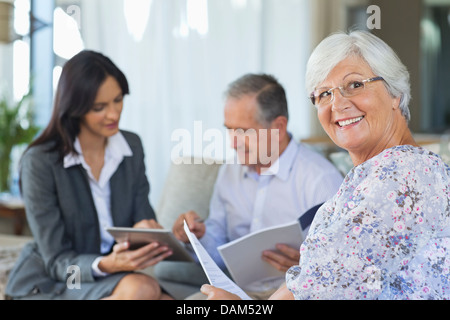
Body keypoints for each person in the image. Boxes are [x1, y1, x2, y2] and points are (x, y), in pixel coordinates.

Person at [201, 30, 450, 300]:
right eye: (323, 94)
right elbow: (317, 279)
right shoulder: (375, 174)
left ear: (395, 94)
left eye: (355, 85)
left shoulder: (403, 175)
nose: (338, 104)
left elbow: (328, 287)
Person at [5, 50, 173, 300]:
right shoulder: (40, 162)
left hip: (112, 275)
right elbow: (57, 261)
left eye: (118, 100)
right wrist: (107, 265)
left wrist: (150, 231)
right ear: (75, 108)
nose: (114, 114)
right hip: (60, 278)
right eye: (99, 107)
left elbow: (142, 215)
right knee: (142, 289)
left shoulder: (131, 147)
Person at [172, 73, 344, 299]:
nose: (233, 143)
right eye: (229, 129)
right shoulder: (230, 171)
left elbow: (342, 268)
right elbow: (217, 251)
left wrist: (309, 266)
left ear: (279, 127)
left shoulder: (321, 180)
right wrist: (197, 236)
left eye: (242, 131)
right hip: (234, 291)